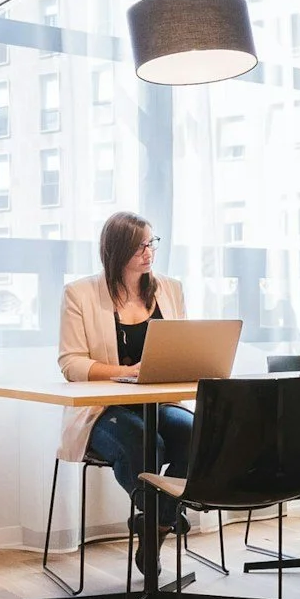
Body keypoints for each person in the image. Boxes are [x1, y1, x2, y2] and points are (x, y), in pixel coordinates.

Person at [58, 212, 193, 524]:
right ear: (116, 250)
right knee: (145, 444)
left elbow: (182, 347)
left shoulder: (170, 289)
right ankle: (165, 518)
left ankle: (155, 522)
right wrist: (127, 372)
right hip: (102, 408)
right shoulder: (79, 294)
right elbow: (71, 362)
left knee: (197, 434)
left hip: (159, 403)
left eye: (151, 243)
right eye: (139, 247)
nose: (149, 253)